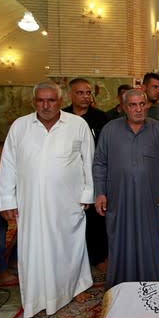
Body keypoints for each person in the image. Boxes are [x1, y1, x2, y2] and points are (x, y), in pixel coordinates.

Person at [0, 81, 94, 317]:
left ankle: (74, 287)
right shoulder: (20, 126)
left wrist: (88, 193)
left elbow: (89, 161)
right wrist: (7, 200)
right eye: (40, 100)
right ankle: (37, 295)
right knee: (34, 249)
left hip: (67, 202)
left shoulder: (77, 124)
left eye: (51, 100)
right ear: (34, 102)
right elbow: (8, 164)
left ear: (61, 102)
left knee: (69, 246)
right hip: (30, 204)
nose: (46, 105)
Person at [93, 89, 159, 289]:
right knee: (119, 239)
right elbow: (99, 163)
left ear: (147, 105)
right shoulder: (110, 130)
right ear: (123, 107)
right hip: (118, 198)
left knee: (150, 239)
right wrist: (100, 192)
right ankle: (120, 285)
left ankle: (151, 283)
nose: (138, 109)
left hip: (150, 198)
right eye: (133, 105)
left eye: (142, 104)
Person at [64, 78, 110, 270]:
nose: (85, 97)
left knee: (97, 217)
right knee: (69, 218)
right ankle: (71, 258)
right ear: (70, 94)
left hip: (95, 174)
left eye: (88, 93)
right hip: (69, 176)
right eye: (80, 93)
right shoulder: (62, 117)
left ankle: (99, 257)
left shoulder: (102, 118)